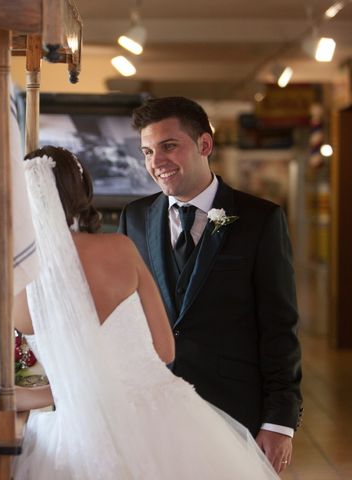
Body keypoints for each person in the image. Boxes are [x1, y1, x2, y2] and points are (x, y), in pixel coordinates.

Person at [0, 145, 279, 479]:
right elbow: (165, 349)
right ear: (80, 193)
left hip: (77, 432)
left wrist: (68, 388)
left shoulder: (11, 279)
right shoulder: (120, 249)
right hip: (163, 421)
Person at [118, 96, 302, 473]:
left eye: (169, 146)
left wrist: (279, 422)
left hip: (234, 408)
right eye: (148, 151)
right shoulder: (134, 218)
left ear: (204, 144)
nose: (156, 162)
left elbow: (279, 328)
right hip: (153, 411)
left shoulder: (260, 220)